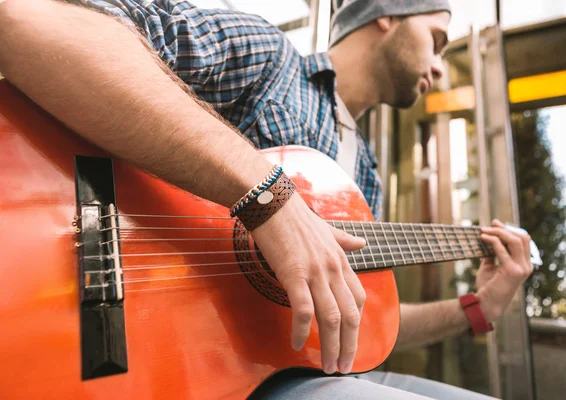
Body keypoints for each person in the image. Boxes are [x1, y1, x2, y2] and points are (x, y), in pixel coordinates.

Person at [0, 0, 533, 398]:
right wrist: (269, 198)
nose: (439, 67)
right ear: (387, 14)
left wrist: (476, 310)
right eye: (438, 40)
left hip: (284, 375)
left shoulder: (364, 173)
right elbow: (31, 22)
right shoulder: (271, 60)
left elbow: (354, 321)